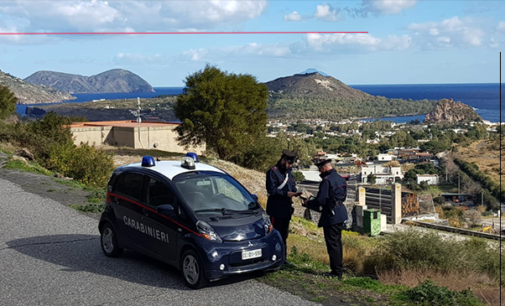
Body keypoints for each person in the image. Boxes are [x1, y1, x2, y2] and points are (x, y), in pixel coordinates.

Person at [303, 159, 348, 279]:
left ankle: (336, 272)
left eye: (319, 169)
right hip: (341, 212)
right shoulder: (341, 178)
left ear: (324, 168)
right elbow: (343, 197)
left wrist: (308, 203)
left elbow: (321, 200)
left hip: (331, 214)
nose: (319, 172)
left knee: (332, 244)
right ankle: (338, 269)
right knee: (337, 243)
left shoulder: (326, 181)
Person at [266, 149, 301, 265]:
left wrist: (296, 192)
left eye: (291, 164)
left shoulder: (288, 173)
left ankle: (283, 258)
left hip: (286, 209)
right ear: (283, 160)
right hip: (276, 209)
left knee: (284, 235)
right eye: (288, 163)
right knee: (276, 234)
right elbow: (272, 190)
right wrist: (286, 194)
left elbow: (292, 186)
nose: (290, 165)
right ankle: (273, 258)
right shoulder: (272, 172)